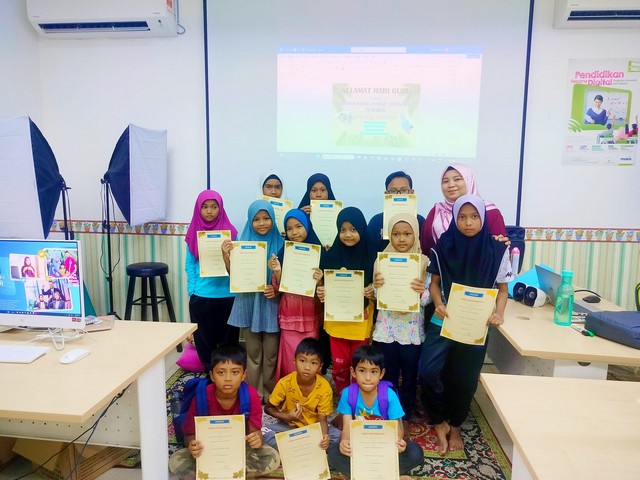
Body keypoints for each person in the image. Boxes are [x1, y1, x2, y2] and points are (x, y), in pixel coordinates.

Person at [419, 194, 511, 456]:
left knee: (466, 378)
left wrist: (499, 313)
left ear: (483, 218)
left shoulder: (497, 250)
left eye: (474, 217)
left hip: (476, 322)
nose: (468, 222)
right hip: (445, 317)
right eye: (462, 217)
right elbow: (434, 284)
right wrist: (438, 303)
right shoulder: (443, 246)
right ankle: (439, 420)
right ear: (454, 218)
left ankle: (456, 424)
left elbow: (503, 290)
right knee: (428, 371)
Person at [168, 345, 280, 479]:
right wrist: (193, 445)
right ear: (212, 375)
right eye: (221, 373)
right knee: (175, 462)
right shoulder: (201, 397)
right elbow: (189, 435)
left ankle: (220, 474)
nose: (228, 378)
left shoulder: (250, 396)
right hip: (208, 451)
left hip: (238, 449)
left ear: (244, 375)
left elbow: (255, 432)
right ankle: (232, 473)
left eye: (235, 372)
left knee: (272, 457)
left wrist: (257, 439)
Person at [327, 345, 423, 478]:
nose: (368, 377)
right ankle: (385, 474)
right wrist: (345, 443)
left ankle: (362, 473)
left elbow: (398, 429)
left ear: (381, 374)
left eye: (373, 372)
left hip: (384, 447)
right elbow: (347, 428)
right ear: (353, 372)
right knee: (333, 453)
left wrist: (398, 441)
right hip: (359, 446)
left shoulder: (389, 395)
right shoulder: (348, 394)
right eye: (362, 370)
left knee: (415, 452)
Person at [225, 200, 284, 401]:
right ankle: (254, 393)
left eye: (266, 218)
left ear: (273, 219)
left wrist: (276, 290)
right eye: (256, 219)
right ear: (250, 221)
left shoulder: (282, 245)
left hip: (271, 304)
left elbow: (288, 280)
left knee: (271, 354)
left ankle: (270, 392)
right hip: (249, 303)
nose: (262, 223)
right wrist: (226, 255)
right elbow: (234, 275)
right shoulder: (242, 243)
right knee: (253, 353)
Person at [371, 213, 428, 421]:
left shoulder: (423, 262)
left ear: (416, 235)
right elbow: (377, 296)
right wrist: (376, 287)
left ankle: (406, 415)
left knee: (410, 375)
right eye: (395, 234)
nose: (401, 239)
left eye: (407, 234)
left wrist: (422, 292)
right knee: (389, 374)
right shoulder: (382, 260)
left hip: (411, 331)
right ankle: (389, 413)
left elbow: (429, 298)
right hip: (387, 329)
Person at [317, 207, 375, 394]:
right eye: (342, 230)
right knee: (340, 364)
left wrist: (372, 292)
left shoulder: (371, 256)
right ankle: (344, 396)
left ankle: (358, 398)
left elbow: (378, 286)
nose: (348, 234)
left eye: (353, 229)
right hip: (337, 322)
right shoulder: (330, 256)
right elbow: (323, 286)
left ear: (362, 230)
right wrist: (321, 290)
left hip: (360, 321)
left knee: (359, 364)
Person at [184, 190, 239, 370]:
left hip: (227, 295)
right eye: (205, 207)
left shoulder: (231, 233)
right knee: (204, 340)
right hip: (202, 296)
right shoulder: (194, 232)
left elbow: (238, 264)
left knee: (228, 340)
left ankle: (227, 374)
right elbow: (190, 264)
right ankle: (211, 373)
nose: (209, 211)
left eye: (214, 207)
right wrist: (192, 290)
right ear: (198, 209)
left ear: (220, 208)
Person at [268, 210, 324, 380]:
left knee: (310, 356)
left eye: (299, 226)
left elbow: (324, 291)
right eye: (289, 228)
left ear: (308, 226)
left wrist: (320, 280)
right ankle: (289, 390)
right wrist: (277, 271)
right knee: (290, 357)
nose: (294, 232)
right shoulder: (283, 253)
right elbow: (278, 288)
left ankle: (311, 390)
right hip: (289, 315)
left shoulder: (319, 253)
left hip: (310, 314)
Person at [263, 337, 340, 449]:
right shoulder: (285, 382)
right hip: (288, 426)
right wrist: (287, 417)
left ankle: (295, 447)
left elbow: (322, 420)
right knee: (263, 434)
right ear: (294, 361)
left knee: (337, 437)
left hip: (314, 428)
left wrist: (324, 436)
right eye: (302, 361)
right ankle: (304, 447)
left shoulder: (324, 388)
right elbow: (268, 408)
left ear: (320, 366)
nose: (307, 367)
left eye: (313, 363)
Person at [421, 163, 507, 254]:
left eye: (457, 179)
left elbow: (500, 249)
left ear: (469, 181)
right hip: (442, 262)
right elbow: (426, 248)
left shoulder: (489, 212)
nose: (451, 185)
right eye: (445, 181)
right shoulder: (437, 211)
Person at [366, 171, 425, 254]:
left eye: (404, 190)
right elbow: (370, 252)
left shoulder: (420, 221)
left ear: (411, 193)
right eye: (393, 191)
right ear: (386, 194)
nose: (398, 195)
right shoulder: (376, 222)